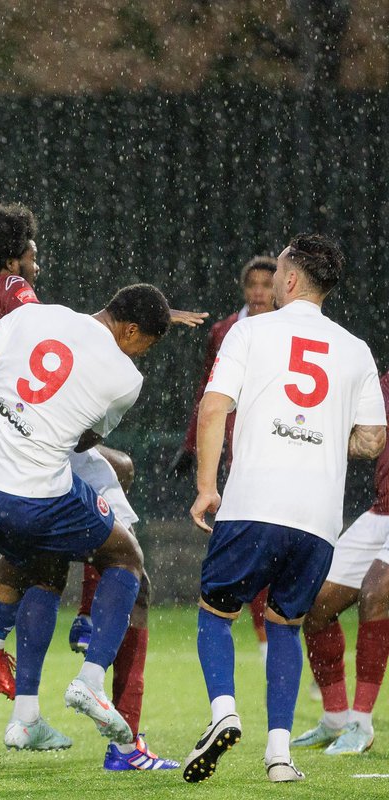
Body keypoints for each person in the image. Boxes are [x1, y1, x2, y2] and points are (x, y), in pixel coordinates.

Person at [0, 195, 179, 769]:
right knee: (126, 557)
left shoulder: (34, 315)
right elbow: (82, 442)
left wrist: (7, 409)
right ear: (129, 328)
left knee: (44, 565)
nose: (141, 353)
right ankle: (90, 679)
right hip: (31, 495)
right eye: (145, 342)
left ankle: (24, 715)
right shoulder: (126, 376)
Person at [184, 233, 386, 784]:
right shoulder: (356, 348)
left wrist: (206, 486)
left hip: (255, 502)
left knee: (214, 613)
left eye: (276, 270)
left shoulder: (251, 330)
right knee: (287, 626)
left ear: (291, 279)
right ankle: (279, 757)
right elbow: (372, 439)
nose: (270, 279)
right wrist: (323, 439)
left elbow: (214, 405)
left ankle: (223, 712)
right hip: (318, 520)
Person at [171, 255, 279, 657]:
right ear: (243, 286)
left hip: (274, 450)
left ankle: (277, 630)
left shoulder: (287, 332)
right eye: (253, 283)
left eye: (267, 285)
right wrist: (191, 446)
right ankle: (265, 639)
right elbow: (208, 392)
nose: (259, 291)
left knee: (274, 545)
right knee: (247, 549)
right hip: (235, 455)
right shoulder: (224, 331)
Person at [290, 371, 389, 757]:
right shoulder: (381, 381)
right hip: (381, 510)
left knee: (375, 593)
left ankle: (360, 725)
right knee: (314, 603)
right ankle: (334, 718)